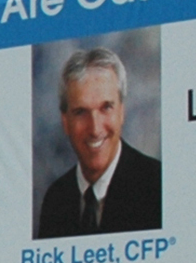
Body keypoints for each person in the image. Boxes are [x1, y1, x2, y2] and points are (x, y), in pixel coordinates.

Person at [35, 45, 162, 237]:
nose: (95, 129)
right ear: (65, 122)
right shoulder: (56, 199)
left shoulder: (156, 185)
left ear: (122, 112)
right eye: (81, 112)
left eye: (106, 108)